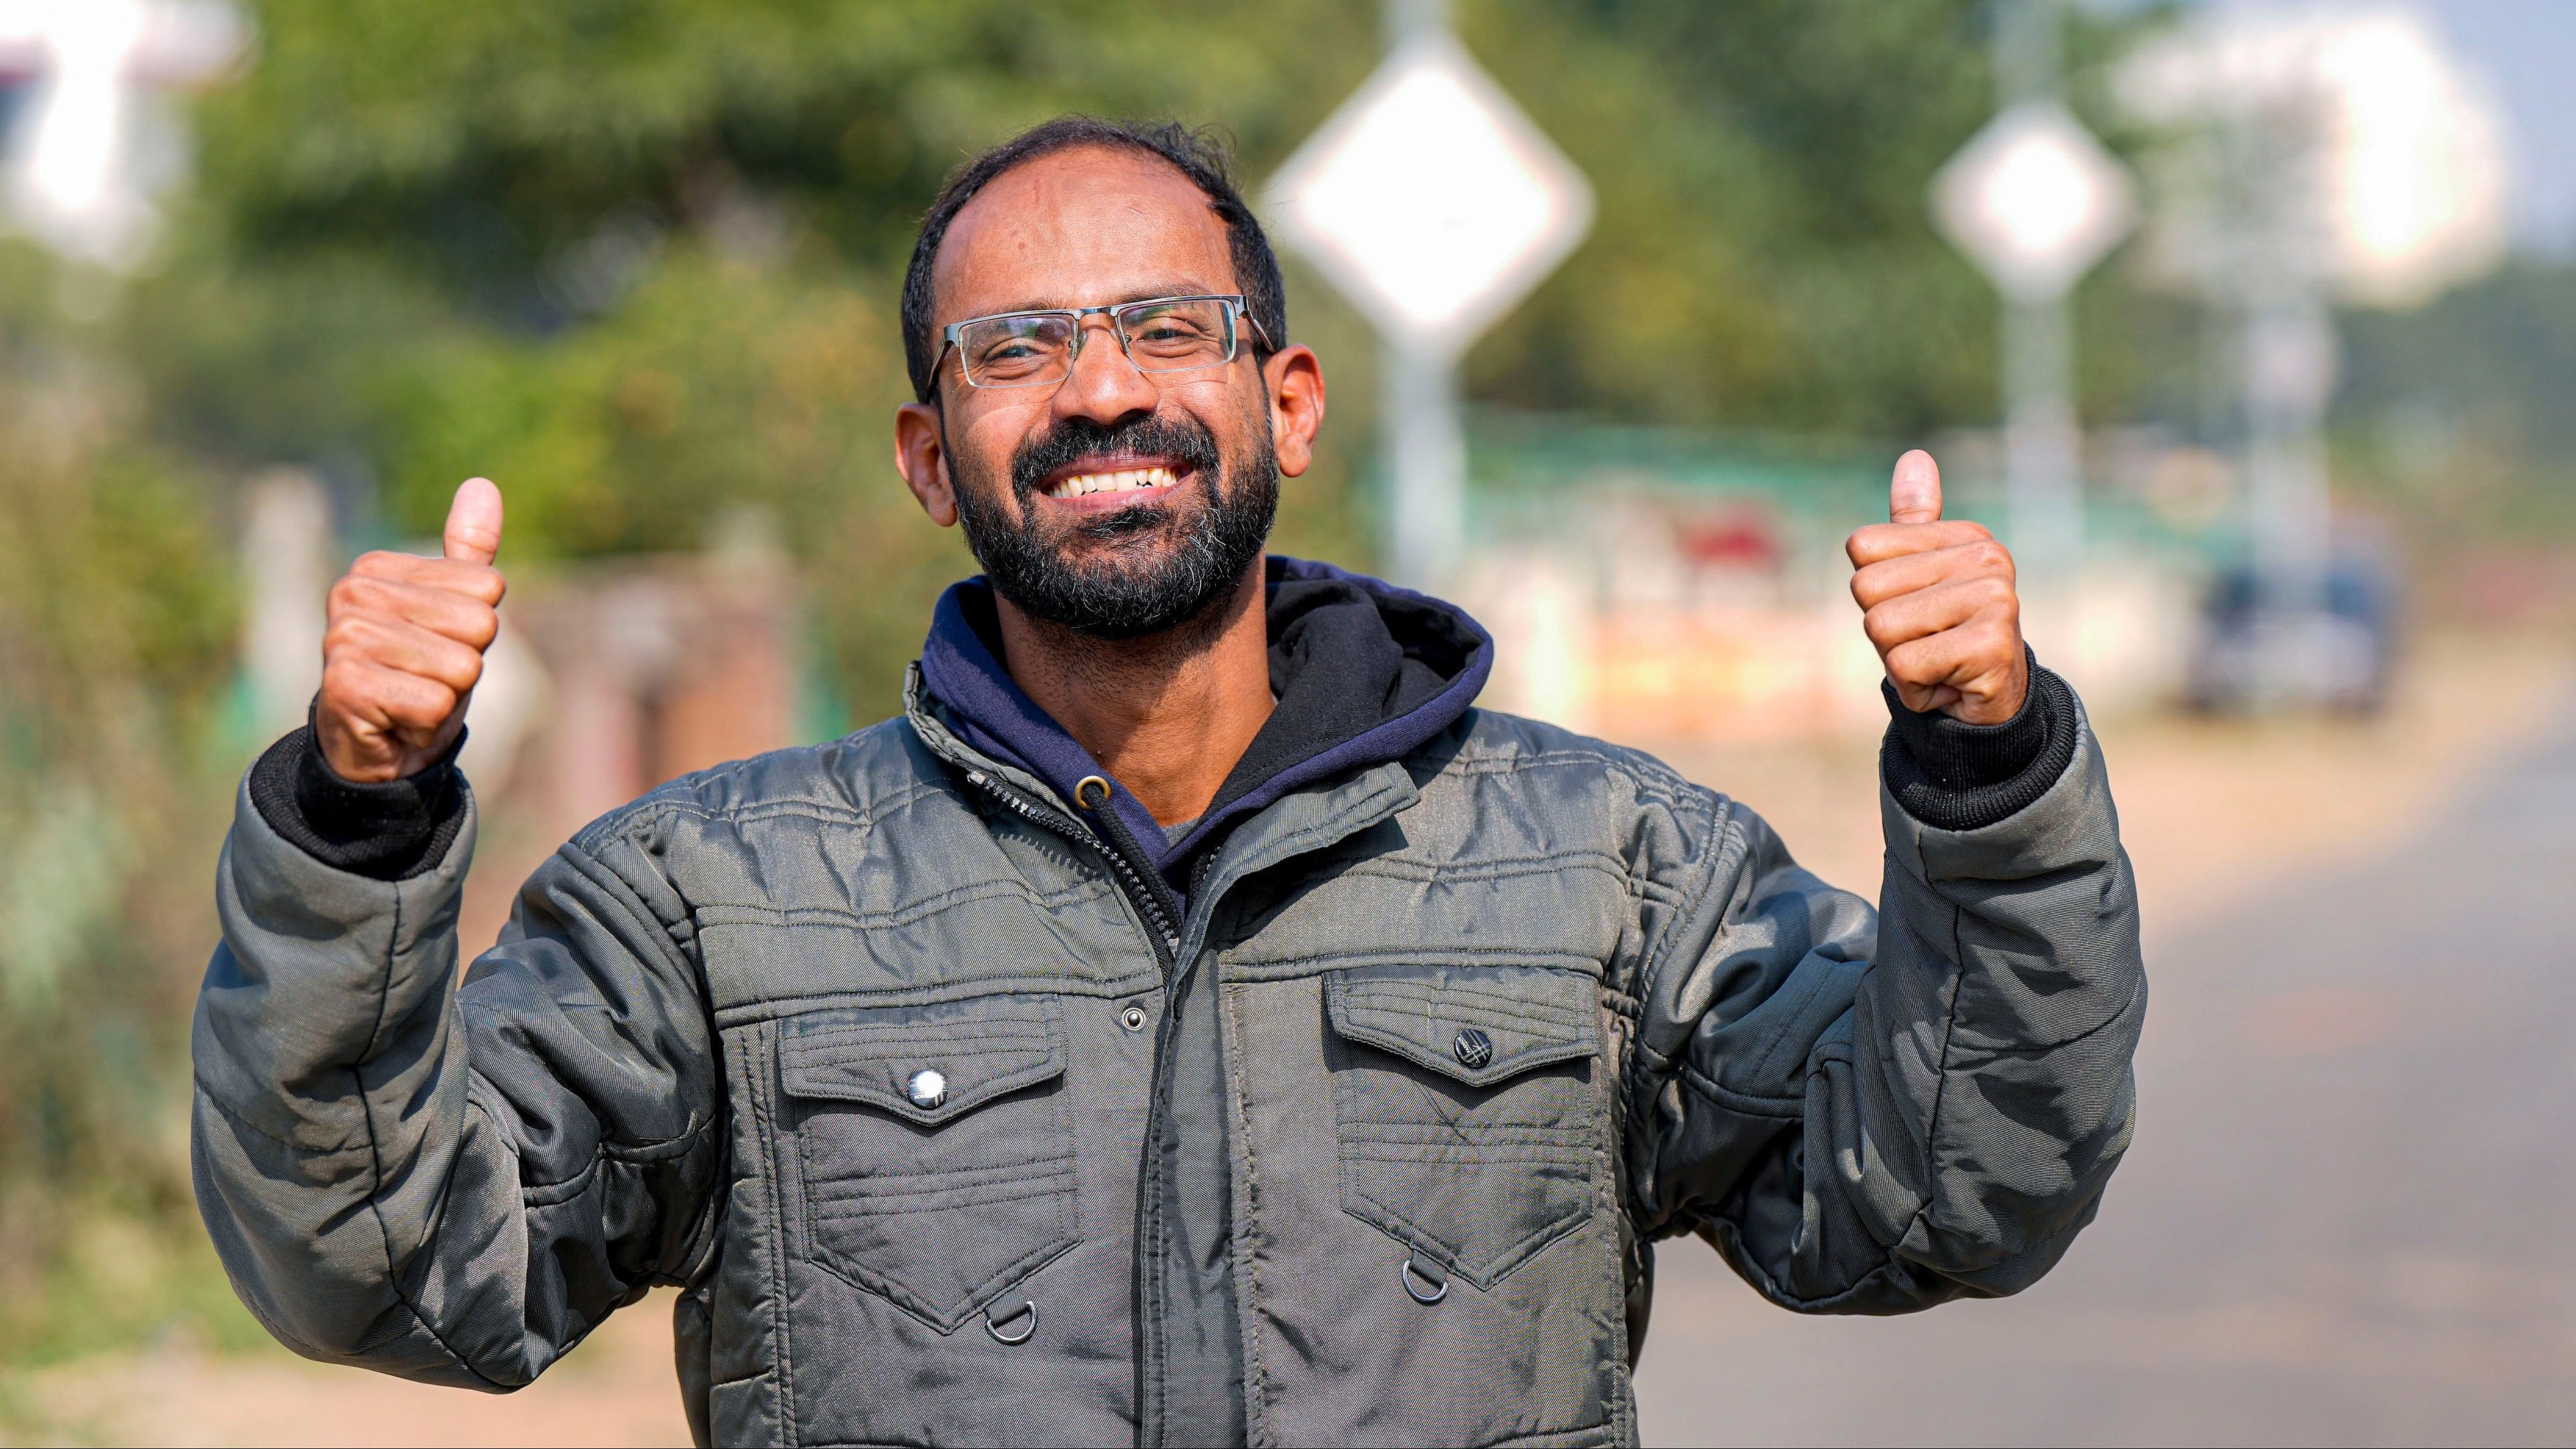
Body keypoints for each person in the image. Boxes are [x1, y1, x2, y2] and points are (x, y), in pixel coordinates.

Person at [193, 117, 2143, 1449]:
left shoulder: (1608, 868)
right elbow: (387, 1271)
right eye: (1015, 347)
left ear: (1282, 400)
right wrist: (359, 813)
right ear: (926, 453)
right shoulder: (713, 903)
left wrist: (1989, 763)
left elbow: (1952, 1197)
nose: (1101, 390)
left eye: (1163, 328)